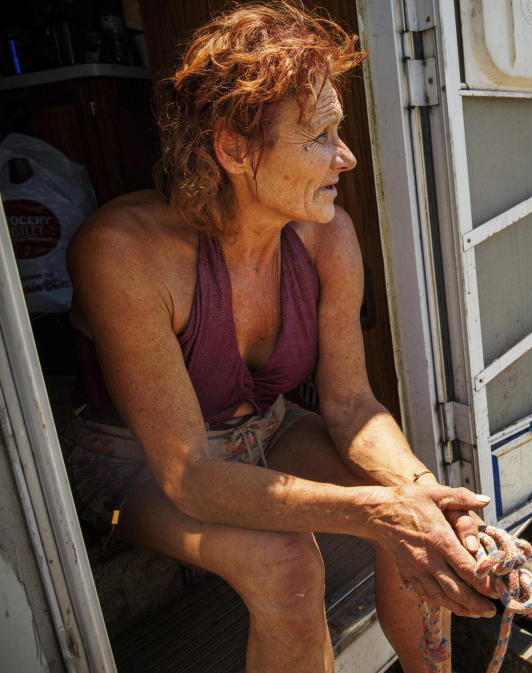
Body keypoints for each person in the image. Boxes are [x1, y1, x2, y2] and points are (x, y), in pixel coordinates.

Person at [57, 3, 496, 672]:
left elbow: (351, 405)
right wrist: (379, 511)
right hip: (133, 468)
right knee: (286, 563)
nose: (344, 157)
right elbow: (188, 475)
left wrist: (416, 494)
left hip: (265, 427)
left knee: (418, 511)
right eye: (319, 135)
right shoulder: (124, 252)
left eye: (338, 131)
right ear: (233, 148)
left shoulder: (327, 235)